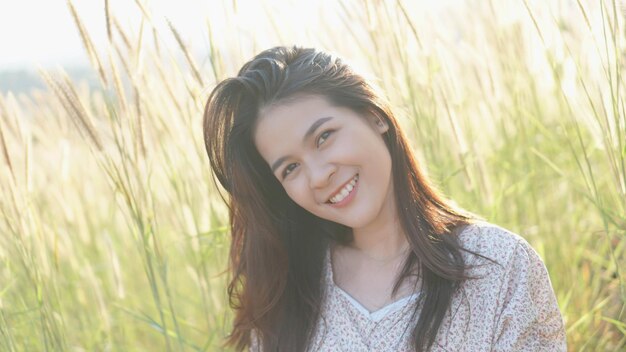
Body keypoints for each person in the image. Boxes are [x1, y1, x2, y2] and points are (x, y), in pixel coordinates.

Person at [202, 46, 566, 351]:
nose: (318, 175)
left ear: (374, 116)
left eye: (324, 136)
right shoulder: (285, 301)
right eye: (290, 169)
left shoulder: (498, 266)